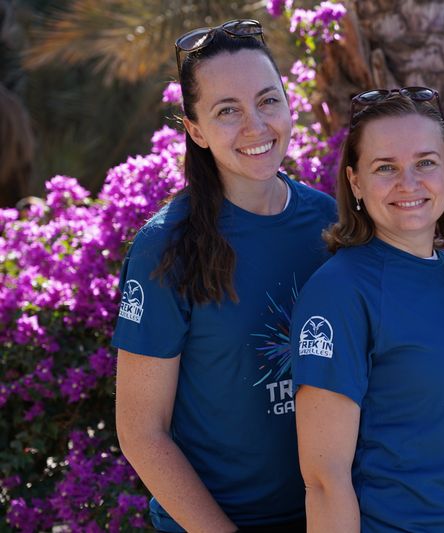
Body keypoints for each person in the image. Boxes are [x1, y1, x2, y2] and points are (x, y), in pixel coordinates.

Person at [113, 20, 336, 532]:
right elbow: (141, 432)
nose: (256, 126)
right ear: (195, 130)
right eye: (227, 111)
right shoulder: (165, 246)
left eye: (268, 101)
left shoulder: (329, 222)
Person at [290, 88, 444, 532]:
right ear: (355, 182)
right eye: (385, 167)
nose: (408, 183)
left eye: (425, 163)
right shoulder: (339, 293)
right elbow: (325, 480)